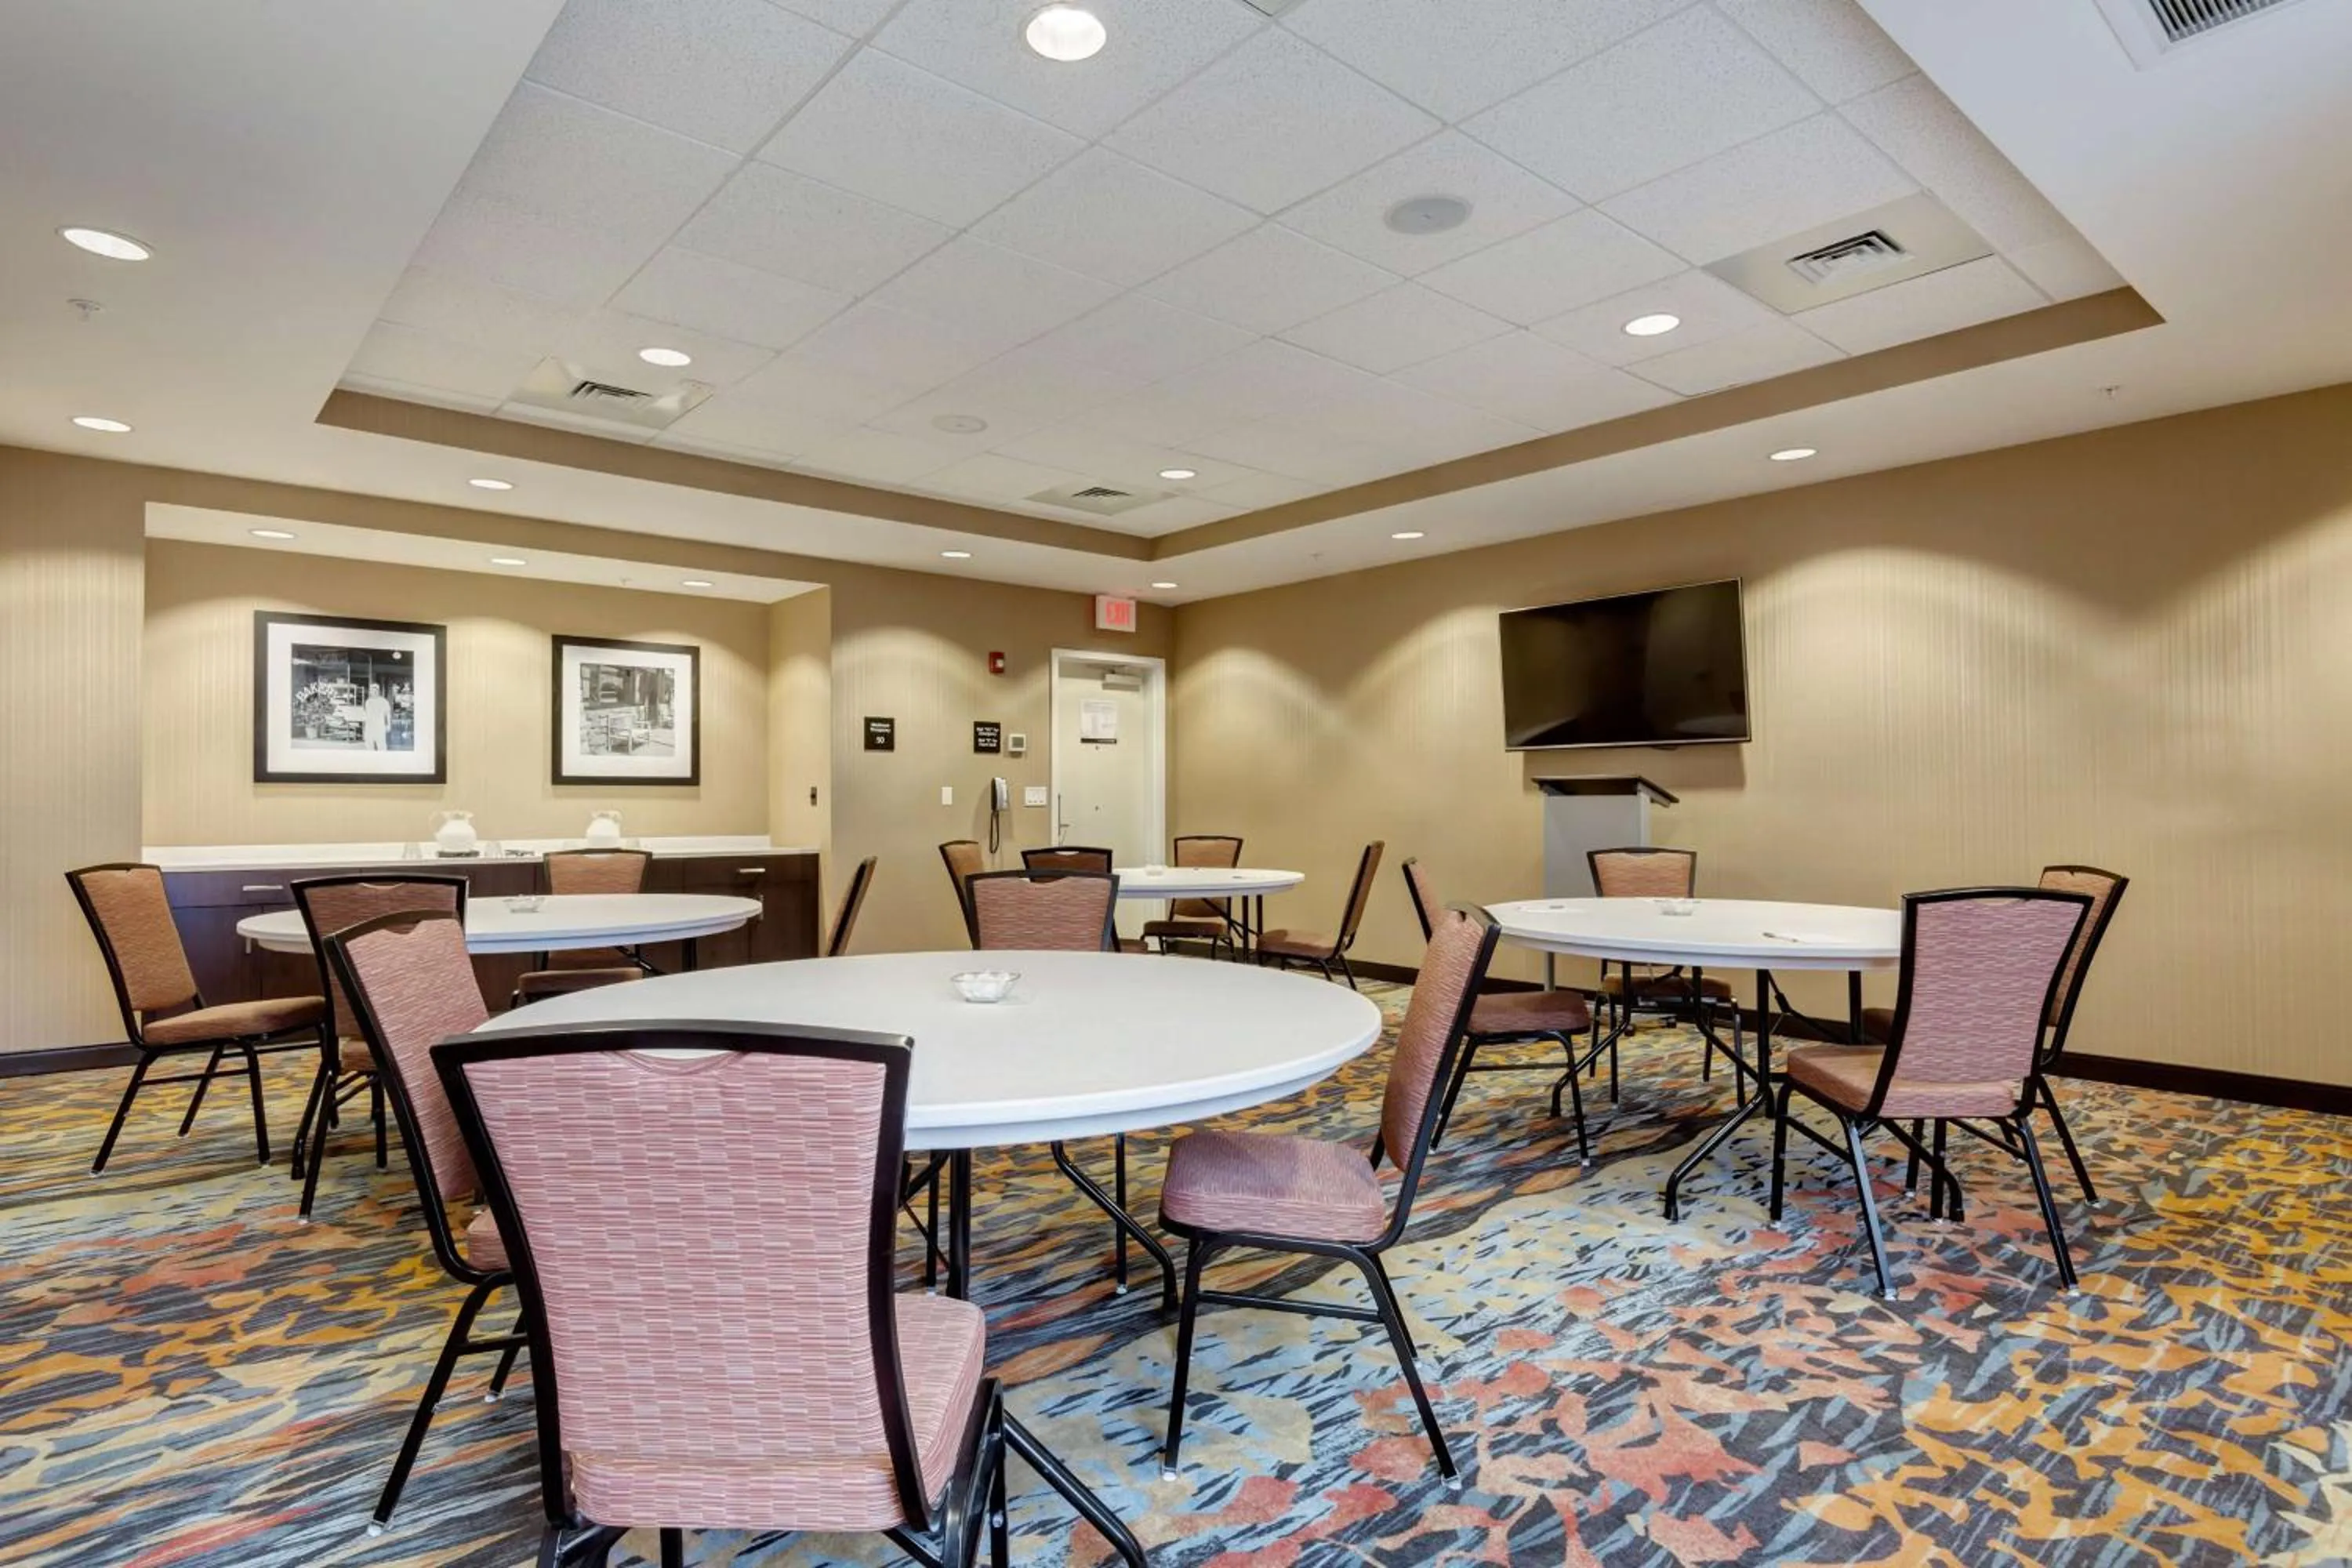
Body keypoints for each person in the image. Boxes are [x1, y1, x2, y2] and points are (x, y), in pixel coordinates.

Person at [361, 681, 392, 751]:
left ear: (378, 691)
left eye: (376, 690)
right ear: (370, 692)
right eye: (372, 690)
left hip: (380, 726)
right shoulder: (368, 702)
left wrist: (389, 725)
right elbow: (366, 715)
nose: (374, 692)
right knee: (369, 746)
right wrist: (364, 728)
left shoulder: (384, 701)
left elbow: (388, 714)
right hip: (370, 726)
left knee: (382, 746)